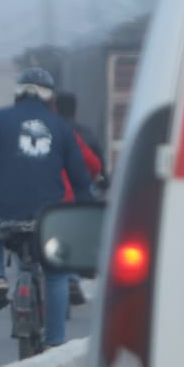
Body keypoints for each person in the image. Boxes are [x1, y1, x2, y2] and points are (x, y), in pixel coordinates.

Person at [0, 68, 92, 348]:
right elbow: (80, 177)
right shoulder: (61, 126)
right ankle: (55, 344)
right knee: (56, 273)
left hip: (5, 214)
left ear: (18, 92)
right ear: (50, 96)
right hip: (48, 219)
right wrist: (86, 208)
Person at [53, 92, 103, 307]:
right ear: (75, 110)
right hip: (77, 193)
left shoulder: (50, 130)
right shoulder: (85, 134)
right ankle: (81, 268)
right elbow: (97, 166)